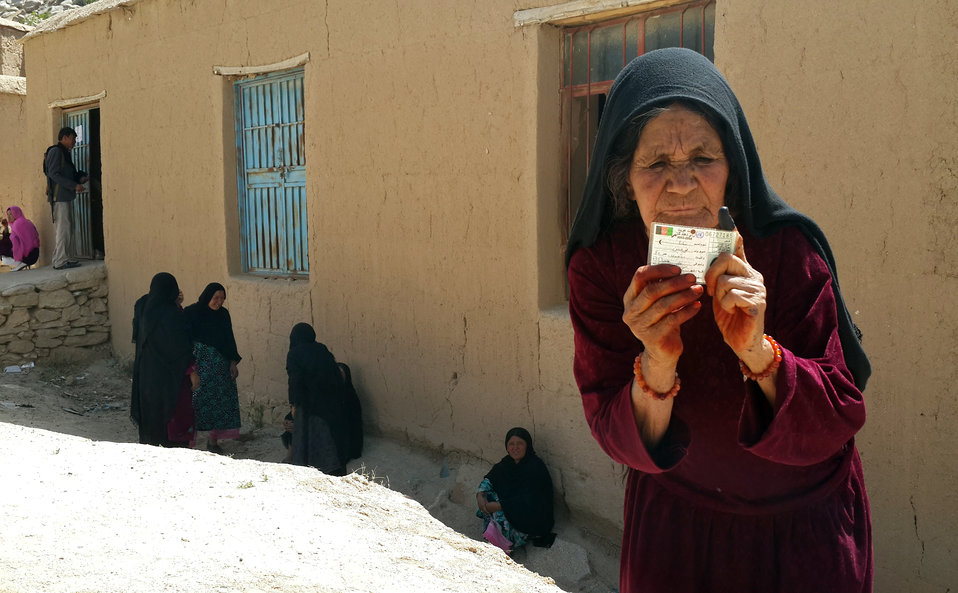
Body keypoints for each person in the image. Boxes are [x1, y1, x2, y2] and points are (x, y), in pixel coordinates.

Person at [565, 48, 872, 593]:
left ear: (732, 170)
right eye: (656, 163)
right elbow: (609, 426)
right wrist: (656, 363)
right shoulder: (604, 268)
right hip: (677, 538)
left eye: (703, 158)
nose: (681, 184)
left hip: (803, 539)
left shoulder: (786, 251)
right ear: (623, 179)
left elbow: (840, 416)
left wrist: (759, 351)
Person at [131, 273, 199, 447]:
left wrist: (174, 303)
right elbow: (181, 347)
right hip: (171, 377)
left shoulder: (143, 307)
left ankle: (151, 444)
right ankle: (173, 445)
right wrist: (192, 371)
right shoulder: (171, 314)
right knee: (173, 409)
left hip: (147, 373)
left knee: (151, 409)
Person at [475, 427, 555, 554]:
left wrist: (500, 506)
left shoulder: (535, 466)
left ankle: (504, 543)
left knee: (499, 514)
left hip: (530, 518)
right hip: (509, 506)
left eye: (520, 444)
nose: (515, 447)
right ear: (507, 447)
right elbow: (489, 480)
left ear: (527, 446)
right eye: (511, 444)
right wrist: (480, 495)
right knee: (487, 496)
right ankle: (494, 533)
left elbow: (530, 499)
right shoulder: (506, 463)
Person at [184, 282, 242, 453]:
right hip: (198, 366)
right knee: (194, 401)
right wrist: (189, 367)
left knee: (220, 402)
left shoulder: (224, 315)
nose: (219, 302)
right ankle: (187, 442)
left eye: (222, 298)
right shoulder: (192, 313)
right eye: (216, 297)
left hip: (220, 367)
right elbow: (184, 340)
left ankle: (213, 442)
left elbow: (229, 339)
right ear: (207, 296)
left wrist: (232, 362)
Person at [286, 323, 350, 475]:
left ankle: (310, 471)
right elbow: (335, 374)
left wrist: (294, 405)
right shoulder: (321, 349)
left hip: (308, 404)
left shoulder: (294, 354)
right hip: (329, 403)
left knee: (307, 438)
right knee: (328, 438)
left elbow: (295, 381)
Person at [44, 127, 87, 270]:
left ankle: (61, 258)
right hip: (60, 197)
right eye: (73, 139)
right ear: (66, 137)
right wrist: (73, 186)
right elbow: (54, 174)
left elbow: (68, 173)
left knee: (66, 228)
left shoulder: (64, 153)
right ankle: (61, 261)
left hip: (64, 196)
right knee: (63, 229)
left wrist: (79, 179)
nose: (74, 142)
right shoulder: (56, 151)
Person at [0, 206, 40, 271]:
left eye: (11, 214)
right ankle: (22, 262)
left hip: (29, 256)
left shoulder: (18, 224)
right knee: (5, 244)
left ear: (16, 213)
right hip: (34, 254)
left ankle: (22, 262)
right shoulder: (24, 222)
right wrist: (6, 228)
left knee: (3, 246)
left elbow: (13, 241)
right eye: (8, 214)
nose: (9, 216)